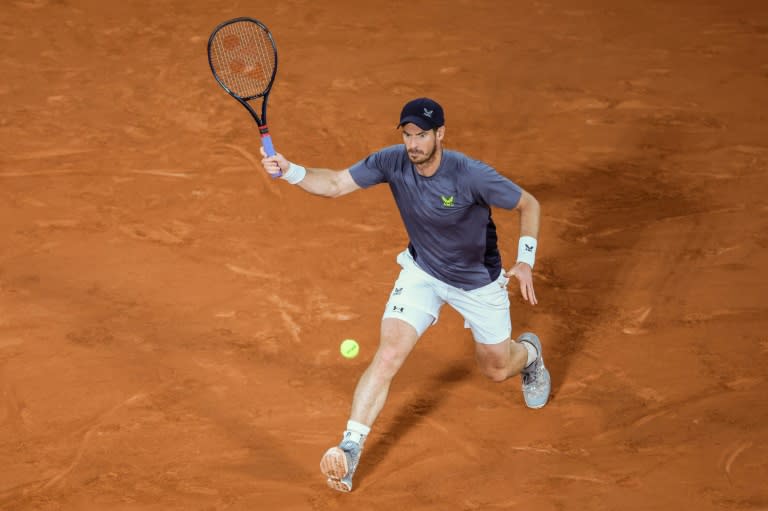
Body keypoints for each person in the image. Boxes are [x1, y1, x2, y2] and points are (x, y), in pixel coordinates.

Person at [259, 97, 551, 492]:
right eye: (408, 135)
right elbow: (334, 184)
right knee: (390, 353)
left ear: (440, 134)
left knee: (497, 368)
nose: (413, 144)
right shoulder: (392, 161)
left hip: (477, 282)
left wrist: (526, 260)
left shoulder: (471, 175)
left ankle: (530, 355)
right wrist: (290, 170)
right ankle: (350, 449)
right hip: (423, 272)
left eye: (422, 135)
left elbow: (528, 204)